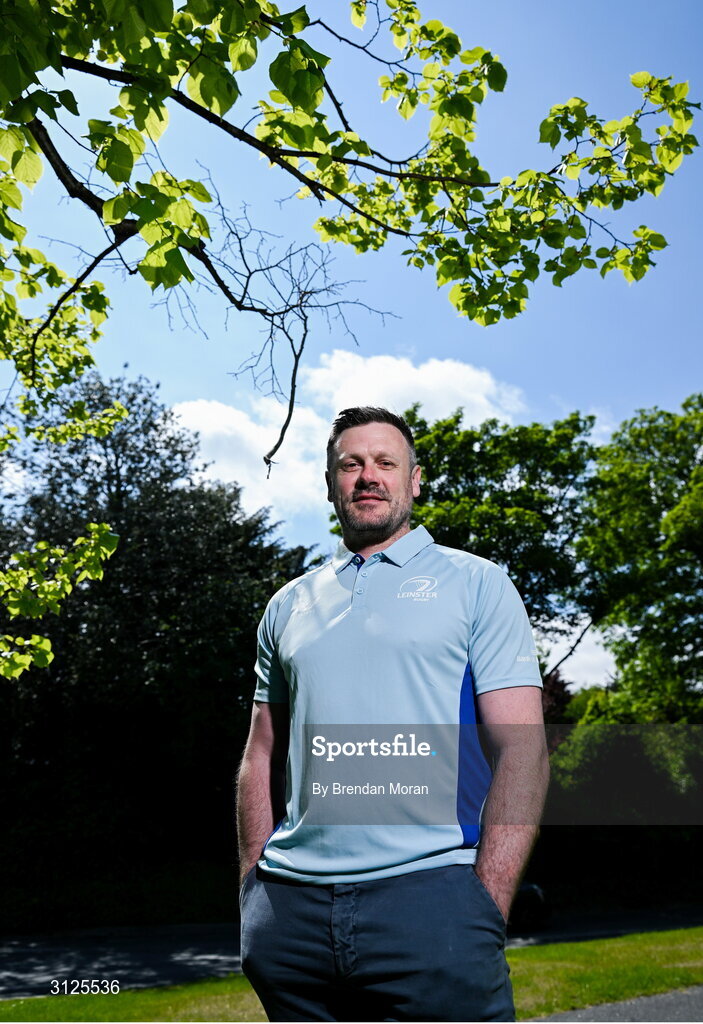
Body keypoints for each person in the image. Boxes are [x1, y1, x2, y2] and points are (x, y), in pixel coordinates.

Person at [237, 406, 550, 1023]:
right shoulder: (287, 604)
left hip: (433, 902)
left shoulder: (477, 583)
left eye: (386, 462)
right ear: (330, 483)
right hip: (291, 914)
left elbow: (524, 749)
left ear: (414, 480)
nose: (367, 476)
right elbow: (260, 754)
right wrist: (254, 889)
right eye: (350, 464)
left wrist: (485, 902)